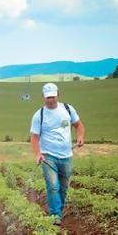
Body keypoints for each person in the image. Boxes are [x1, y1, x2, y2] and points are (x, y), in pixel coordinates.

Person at [30, 83, 84, 225]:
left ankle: (58, 210)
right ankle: (56, 216)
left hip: (67, 155)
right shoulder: (39, 115)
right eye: (48, 97)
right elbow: (34, 137)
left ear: (58, 94)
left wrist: (80, 136)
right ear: (43, 97)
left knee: (64, 186)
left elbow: (78, 125)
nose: (51, 100)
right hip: (49, 156)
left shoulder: (67, 109)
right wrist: (38, 154)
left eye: (53, 97)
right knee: (53, 185)